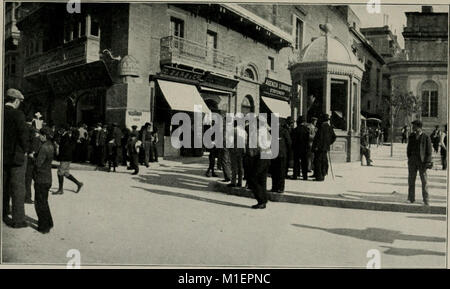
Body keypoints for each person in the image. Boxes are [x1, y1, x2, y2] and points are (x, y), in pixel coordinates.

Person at [3, 88, 29, 228]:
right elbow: (23, 136)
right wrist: (26, 150)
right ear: (17, 100)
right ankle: (18, 220)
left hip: (2, 156)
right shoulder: (18, 114)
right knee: (18, 188)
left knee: (3, 185)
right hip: (16, 157)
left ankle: (3, 213)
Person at [33, 127, 55, 234]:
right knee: (44, 202)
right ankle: (49, 222)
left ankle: (44, 226)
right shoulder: (51, 146)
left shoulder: (43, 147)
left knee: (39, 203)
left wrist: (33, 157)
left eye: (40, 135)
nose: (39, 137)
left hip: (41, 178)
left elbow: (38, 164)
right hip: (48, 178)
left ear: (44, 136)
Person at [407, 120, 432, 205]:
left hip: (422, 162)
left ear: (419, 127)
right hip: (412, 161)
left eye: (414, 126)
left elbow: (429, 151)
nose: (413, 128)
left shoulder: (426, 137)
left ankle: (426, 200)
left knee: (424, 181)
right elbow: (408, 149)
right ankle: (411, 198)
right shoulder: (411, 136)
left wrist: (427, 162)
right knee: (411, 180)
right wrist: (410, 158)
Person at [248, 118, 272, 209]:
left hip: (261, 155)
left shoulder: (259, 131)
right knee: (262, 179)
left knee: (252, 178)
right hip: (266, 155)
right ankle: (263, 200)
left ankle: (261, 199)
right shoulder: (266, 131)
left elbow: (256, 145)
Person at [53, 126, 83, 195]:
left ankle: (60, 190)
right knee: (66, 173)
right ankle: (78, 183)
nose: (59, 131)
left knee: (60, 172)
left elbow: (66, 147)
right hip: (67, 157)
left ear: (63, 129)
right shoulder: (67, 136)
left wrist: (58, 145)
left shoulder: (66, 137)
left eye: (60, 129)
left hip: (65, 158)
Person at [312, 114, 336, 181]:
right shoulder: (329, 127)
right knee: (324, 161)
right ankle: (323, 174)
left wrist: (316, 146)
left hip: (319, 148)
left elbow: (318, 138)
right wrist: (328, 143)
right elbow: (334, 137)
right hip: (325, 148)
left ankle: (319, 177)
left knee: (318, 162)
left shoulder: (321, 127)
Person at [270, 118, 291, 193]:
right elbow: (289, 143)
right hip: (282, 154)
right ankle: (280, 188)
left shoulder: (271, 131)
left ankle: (274, 187)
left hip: (274, 154)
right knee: (281, 172)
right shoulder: (285, 131)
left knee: (274, 171)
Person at [25, 116, 41, 204]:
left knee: (28, 179)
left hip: (27, 156)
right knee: (32, 178)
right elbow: (35, 144)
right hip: (32, 157)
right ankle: (29, 197)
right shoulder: (33, 131)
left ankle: (27, 197)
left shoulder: (24, 128)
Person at [228, 118, 247, 188]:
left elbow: (230, 140)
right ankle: (240, 182)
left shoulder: (233, 130)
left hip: (234, 150)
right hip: (241, 151)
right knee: (240, 167)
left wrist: (229, 148)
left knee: (234, 167)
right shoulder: (244, 131)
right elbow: (246, 142)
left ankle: (233, 182)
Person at [291, 116, 310, 180]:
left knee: (296, 162)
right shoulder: (307, 129)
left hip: (297, 148)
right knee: (304, 162)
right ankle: (305, 176)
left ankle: (295, 175)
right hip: (304, 148)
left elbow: (293, 140)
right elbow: (308, 140)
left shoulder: (295, 130)